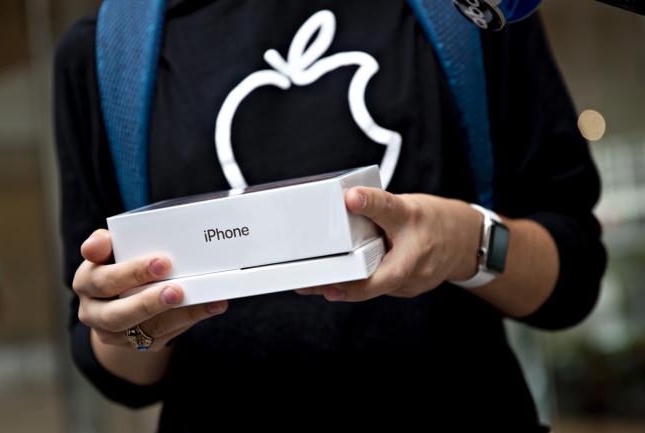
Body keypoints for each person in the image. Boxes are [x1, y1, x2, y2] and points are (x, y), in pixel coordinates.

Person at [54, 0, 606, 431]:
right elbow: (119, 371)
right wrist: (139, 329)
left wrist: (466, 244)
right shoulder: (109, 51)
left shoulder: (470, 9)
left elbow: (572, 278)